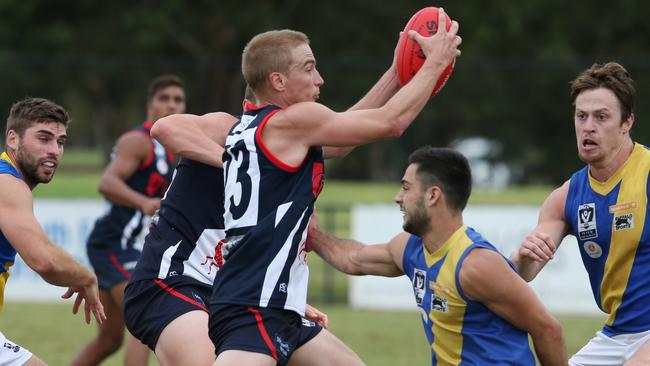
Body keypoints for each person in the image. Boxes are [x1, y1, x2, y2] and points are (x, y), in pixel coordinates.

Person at [123, 89, 334, 366]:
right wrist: (239, 166)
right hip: (171, 279)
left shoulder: (285, 176)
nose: (318, 81)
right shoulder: (233, 131)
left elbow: (363, 130)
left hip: (235, 297)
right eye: (308, 70)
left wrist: (396, 77)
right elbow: (166, 127)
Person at [307, 146, 567, 365]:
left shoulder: (474, 264)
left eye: (406, 188)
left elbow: (548, 329)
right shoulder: (411, 247)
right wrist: (311, 234)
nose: (398, 198)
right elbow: (354, 258)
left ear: (433, 196)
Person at [511, 62, 650, 366]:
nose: (588, 126)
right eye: (581, 116)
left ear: (626, 123)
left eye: (602, 117)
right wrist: (524, 256)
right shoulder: (566, 197)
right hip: (618, 335)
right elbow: (524, 273)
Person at [72, 75, 185, 366]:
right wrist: (144, 202)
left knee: (110, 339)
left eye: (178, 100)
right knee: (144, 315)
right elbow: (107, 183)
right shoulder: (139, 141)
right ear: (150, 106)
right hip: (115, 244)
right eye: (164, 99)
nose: (172, 105)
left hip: (142, 248)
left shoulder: (180, 148)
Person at [0, 97, 105, 365]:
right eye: (44, 139)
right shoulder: (7, 183)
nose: (54, 151)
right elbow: (44, 260)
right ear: (13, 139)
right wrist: (87, 277)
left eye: (60, 142)